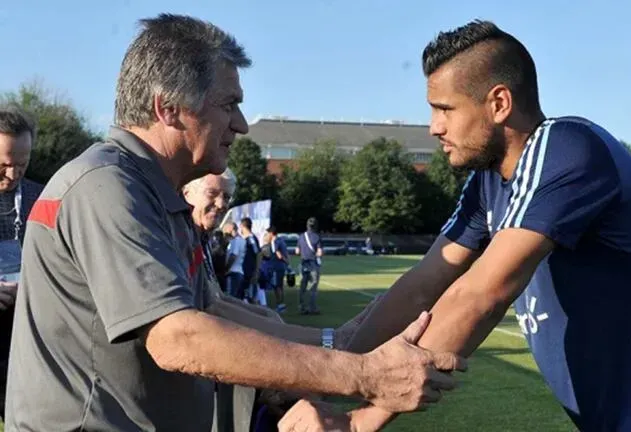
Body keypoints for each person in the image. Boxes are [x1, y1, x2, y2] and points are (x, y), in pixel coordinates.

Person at [280, 20, 631, 432]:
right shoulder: (490, 183)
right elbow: (420, 287)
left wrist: (358, 420)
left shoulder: (569, 150)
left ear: (498, 103)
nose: (433, 126)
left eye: (445, 109)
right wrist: (327, 366)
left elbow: (479, 296)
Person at [3, 14, 466, 431]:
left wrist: (336, 344)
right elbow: (178, 337)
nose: (241, 124)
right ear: (168, 109)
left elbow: (213, 310)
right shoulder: (107, 186)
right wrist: (363, 377)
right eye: (228, 104)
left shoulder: (150, 190)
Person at [182, 169, 381, 432]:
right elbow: (213, 307)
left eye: (227, 197)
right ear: (187, 193)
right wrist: (327, 340)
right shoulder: (180, 235)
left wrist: (273, 321)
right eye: (213, 193)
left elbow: (217, 300)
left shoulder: (198, 236)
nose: (221, 204)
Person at [0, 106, 45, 421]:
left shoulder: (42, 198)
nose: (14, 175)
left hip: (25, 334)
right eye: (3, 165)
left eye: (22, 165)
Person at [296, 217, 323, 315]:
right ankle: (312, 308)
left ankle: (302, 307)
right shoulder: (317, 237)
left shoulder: (301, 236)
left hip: (303, 263)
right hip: (313, 264)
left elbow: (297, 251)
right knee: (313, 287)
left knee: (302, 286)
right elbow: (319, 252)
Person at [264, 226, 290, 313]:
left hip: (276, 267)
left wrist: (284, 260)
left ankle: (280, 305)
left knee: (277, 287)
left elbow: (277, 254)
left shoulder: (275, 241)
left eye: (268, 233)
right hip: (281, 267)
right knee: (280, 286)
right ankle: (281, 305)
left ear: (271, 233)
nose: (267, 235)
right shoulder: (281, 240)